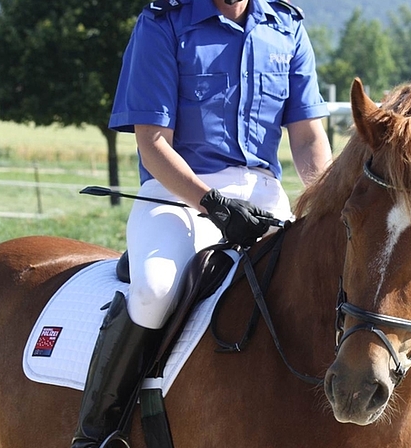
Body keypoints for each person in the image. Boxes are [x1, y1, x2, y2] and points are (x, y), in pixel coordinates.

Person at [70, 0, 332, 445]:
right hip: (176, 193)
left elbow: (307, 137)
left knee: (325, 284)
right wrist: (213, 204)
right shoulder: (163, 23)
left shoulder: (285, 27)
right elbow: (152, 143)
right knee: (155, 288)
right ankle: (98, 429)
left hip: (264, 196)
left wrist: (323, 202)